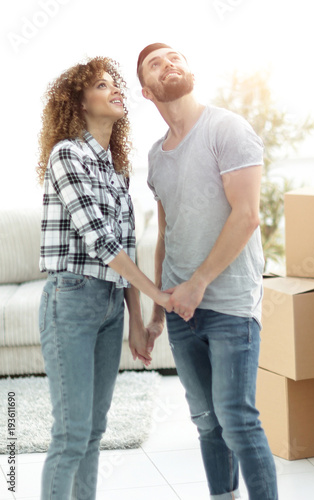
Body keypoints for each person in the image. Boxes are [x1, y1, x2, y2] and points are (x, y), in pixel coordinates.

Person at [137, 43, 279, 500]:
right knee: (206, 421)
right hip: (180, 309)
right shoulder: (157, 156)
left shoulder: (227, 128)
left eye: (175, 56)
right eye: (156, 64)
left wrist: (198, 283)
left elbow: (247, 216)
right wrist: (158, 311)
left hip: (229, 301)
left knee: (236, 417)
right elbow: (167, 233)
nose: (169, 63)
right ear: (146, 90)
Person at [37, 56, 171, 500]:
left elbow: (127, 245)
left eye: (117, 84)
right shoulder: (67, 155)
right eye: (101, 84)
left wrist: (136, 316)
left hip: (111, 304)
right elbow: (100, 242)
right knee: (72, 433)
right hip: (71, 300)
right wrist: (159, 296)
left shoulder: (117, 171)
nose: (116, 90)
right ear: (79, 102)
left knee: (94, 430)